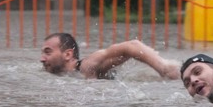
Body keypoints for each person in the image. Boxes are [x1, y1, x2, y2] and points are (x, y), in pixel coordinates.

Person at [40, 32, 180, 80]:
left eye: (48, 52)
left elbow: (132, 45)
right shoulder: (63, 75)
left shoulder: (87, 65)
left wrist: (164, 68)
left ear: (68, 54)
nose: (42, 58)